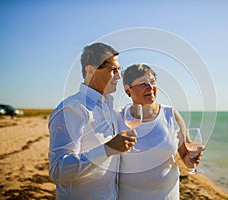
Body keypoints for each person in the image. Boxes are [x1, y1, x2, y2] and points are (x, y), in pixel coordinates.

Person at [48, 42, 137, 200]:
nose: (118, 76)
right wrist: (108, 149)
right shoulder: (72, 109)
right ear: (90, 70)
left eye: (119, 70)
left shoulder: (109, 108)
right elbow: (57, 171)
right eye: (113, 70)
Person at [117, 64, 205, 200]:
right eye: (143, 84)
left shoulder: (171, 114)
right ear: (128, 90)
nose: (150, 87)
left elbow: (187, 161)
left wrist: (194, 158)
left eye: (152, 82)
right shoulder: (118, 117)